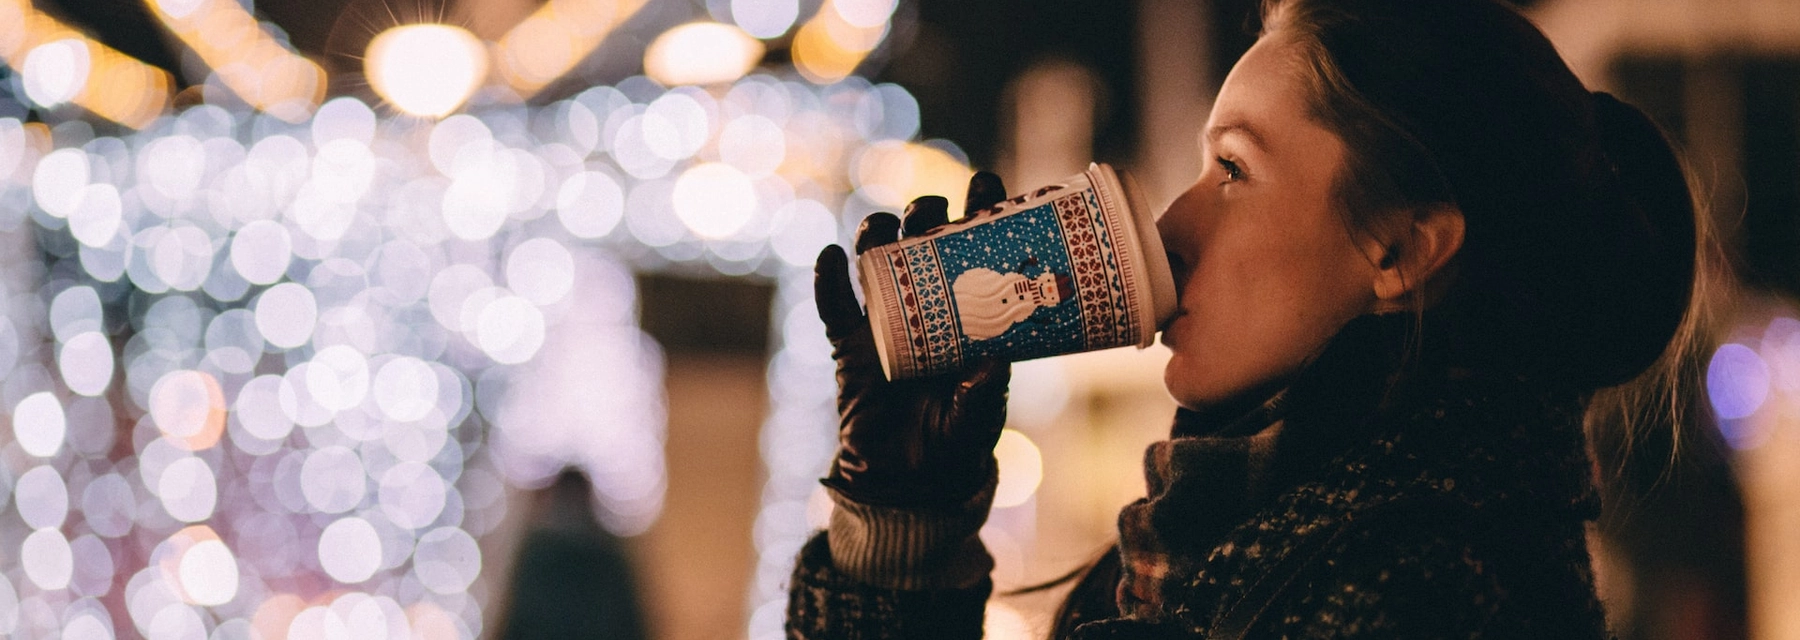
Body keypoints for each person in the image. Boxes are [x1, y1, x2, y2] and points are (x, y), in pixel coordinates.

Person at [786, 0, 1705, 637]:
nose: (1172, 226)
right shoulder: (1234, 541)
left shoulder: (1421, 597)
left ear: (1401, 250)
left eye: (1233, 170)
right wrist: (904, 528)